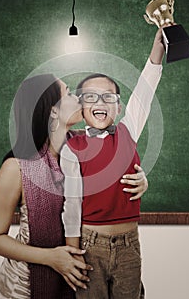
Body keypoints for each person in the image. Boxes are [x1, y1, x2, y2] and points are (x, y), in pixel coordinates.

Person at [0, 73, 149, 299]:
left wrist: (141, 179)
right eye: (70, 93)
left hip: (77, 281)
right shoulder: (17, 168)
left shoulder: (84, 146)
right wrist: (51, 258)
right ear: (53, 110)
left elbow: (120, 160)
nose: (80, 99)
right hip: (23, 289)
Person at [60, 27, 166, 299]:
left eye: (109, 97)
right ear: (81, 109)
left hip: (130, 244)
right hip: (89, 244)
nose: (101, 102)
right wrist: (73, 254)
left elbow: (145, 89)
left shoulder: (128, 131)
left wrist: (159, 47)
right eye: (91, 97)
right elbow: (71, 205)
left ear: (119, 108)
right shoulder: (73, 147)